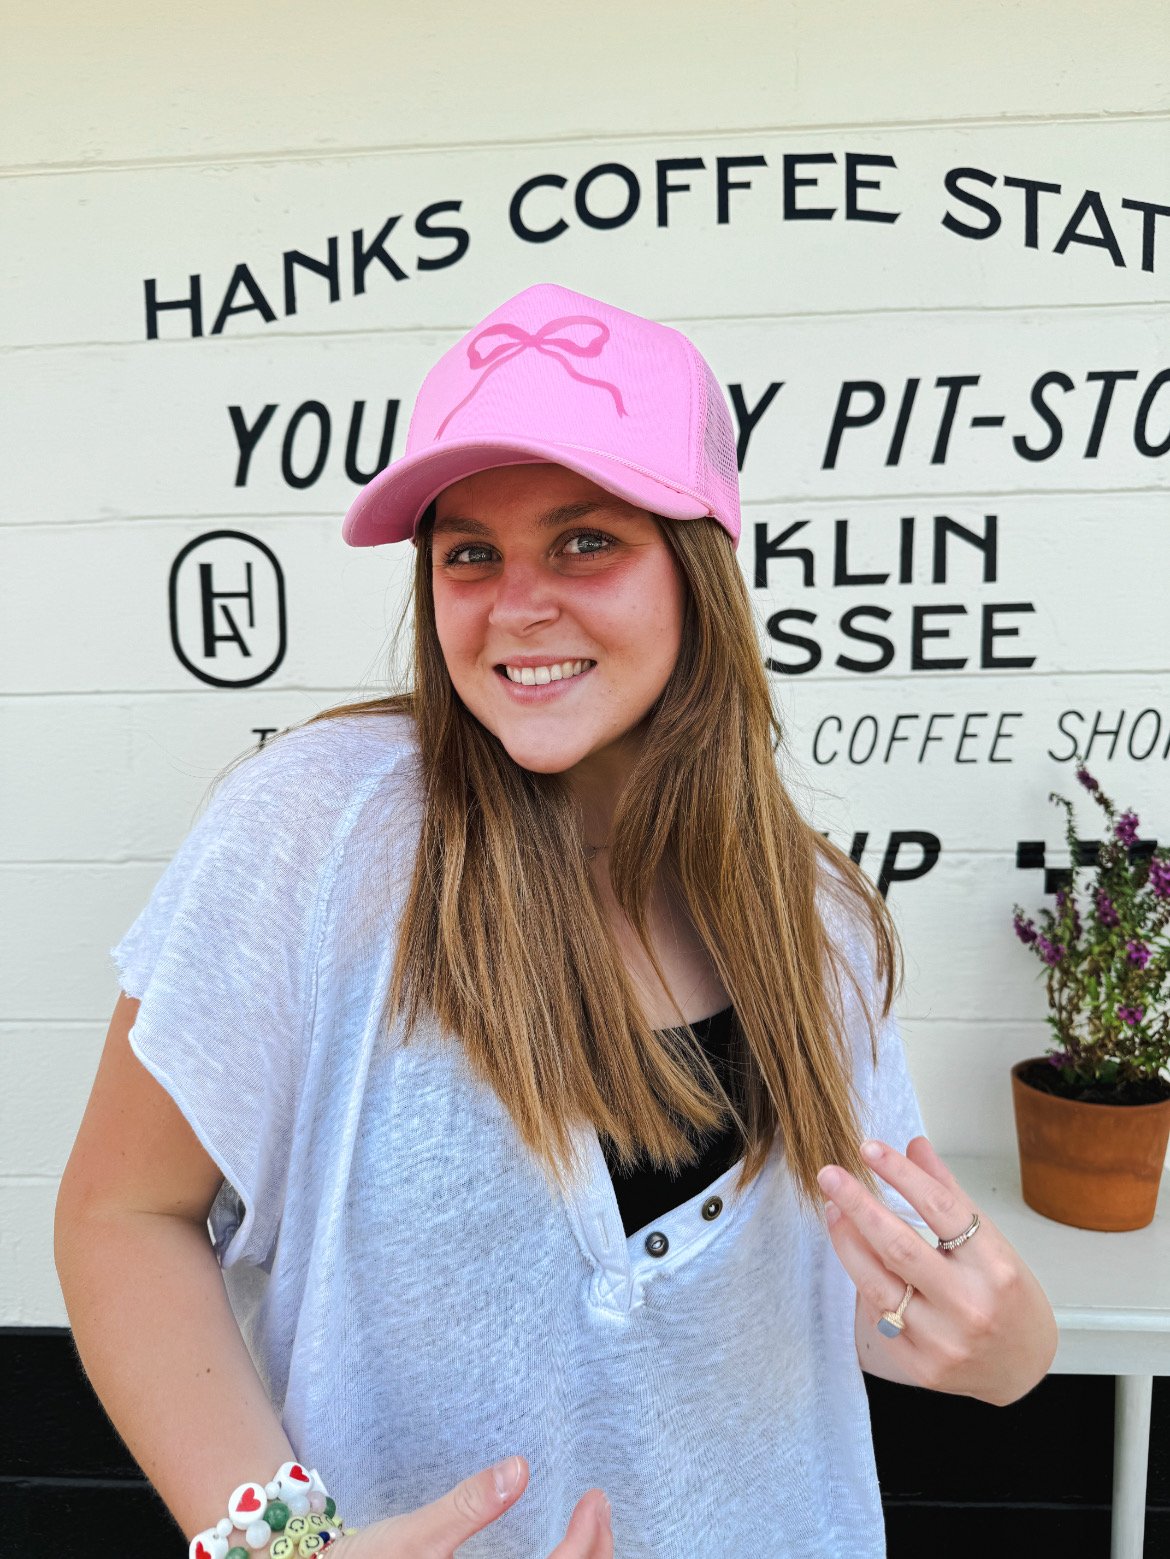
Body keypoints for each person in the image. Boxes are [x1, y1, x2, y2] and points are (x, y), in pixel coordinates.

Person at [55, 283, 1056, 1559]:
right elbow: (123, 1215)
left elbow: (858, 1286)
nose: (516, 603)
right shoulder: (316, 834)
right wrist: (282, 1548)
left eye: (585, 540)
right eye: (468, 552)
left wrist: (1011, 1348)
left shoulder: (811, 920)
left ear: (697, 564)